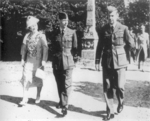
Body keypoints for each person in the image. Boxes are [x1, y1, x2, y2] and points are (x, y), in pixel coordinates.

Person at [95, 6, 135, 120]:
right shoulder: (103, 29)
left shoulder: (123, 28)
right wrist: (97, 61)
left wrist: (124, 53)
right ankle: (110, 111)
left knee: (120, 86)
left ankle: (121, 102)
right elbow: (100, 46)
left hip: (120, 62)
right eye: (109, 16)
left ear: (117, 16)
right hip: (107, 61)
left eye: (112, 16)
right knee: (107, 86)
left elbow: (131, 44)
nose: (110, 18)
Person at [47, 12, 78, 116]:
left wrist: (73, 60)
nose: (65, 22)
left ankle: (65, 106)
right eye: (63, 20)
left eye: (66, 20)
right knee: (59, 82)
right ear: (59, 21)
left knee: (67, 83)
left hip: (68, 61)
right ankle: (62, 101)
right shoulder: (54, 33)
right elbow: (51, 48)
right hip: (57, 62)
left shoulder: (72, 32)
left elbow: (75, 49)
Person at [20, 16, 48, 105]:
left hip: (38, 61)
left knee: (39, 79)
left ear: (37, 25)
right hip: (28, 60)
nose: (33, 27)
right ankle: (25, 98)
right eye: (31, 26)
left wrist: (44, 60)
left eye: (34, 25)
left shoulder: (41, 36)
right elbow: (23, 48)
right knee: (25, 78)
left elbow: (45, 48)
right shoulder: (27, 36)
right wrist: (22, 59)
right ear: (29, 28)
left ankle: (38, 95)